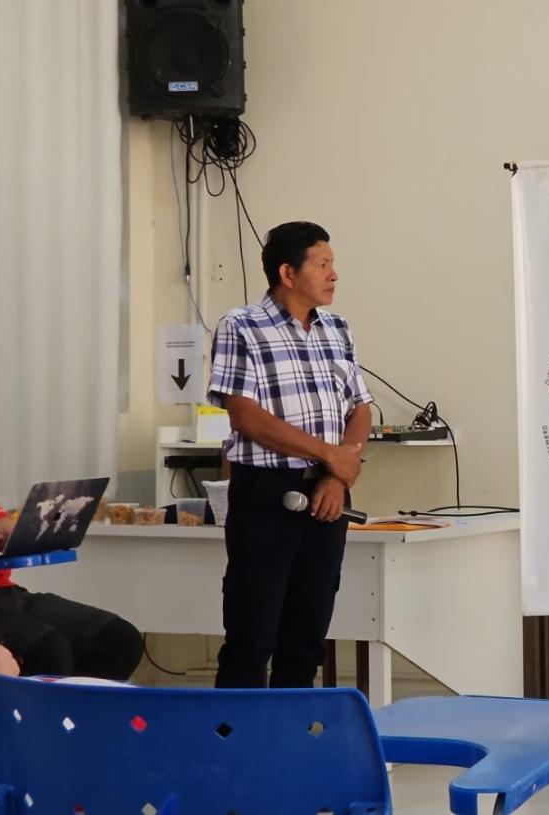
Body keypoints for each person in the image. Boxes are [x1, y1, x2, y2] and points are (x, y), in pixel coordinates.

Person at [207, 221, 374, 688]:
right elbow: (245, 416)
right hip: (265, 495)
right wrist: (332, 455)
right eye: (322, 264)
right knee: (252, 634)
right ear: (287, 272)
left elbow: (359, 408)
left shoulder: (338, 328)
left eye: (333, 264)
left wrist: (338, 475)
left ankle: (289, 750)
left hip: (327, 496)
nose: (334, 274)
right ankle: (234, 754)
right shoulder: (242, 326)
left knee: (307, 636)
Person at [0, 483, 142, 680]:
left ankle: (79, 708)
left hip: (5, 592)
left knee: (119, 638)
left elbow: (2, 524)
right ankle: (48, 709)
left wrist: (14, 531)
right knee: (49, 648)